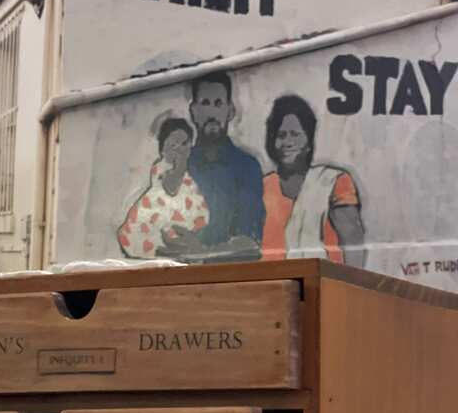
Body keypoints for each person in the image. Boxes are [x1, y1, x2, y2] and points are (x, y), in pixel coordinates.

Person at [157, 71, 264, 262]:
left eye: (218, 104)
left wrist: (200, 253)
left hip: (229, 281)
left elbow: (250, 243)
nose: (212, 113)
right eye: (205, 103)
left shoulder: (247, 167)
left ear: (230, 111)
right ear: (194, 111)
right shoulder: (179, 165)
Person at [259, 94, 366, 268]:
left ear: (308, 140)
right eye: (281, 135)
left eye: (295, 134)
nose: (287, 142)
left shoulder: (332, 182)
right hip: (274, 287)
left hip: (324, 286)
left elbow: (353, 242)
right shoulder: (263, 187)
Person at [117, 117, 208, 259]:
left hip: (182, 222)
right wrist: (180, 167)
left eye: (184, 144)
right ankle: (162, 251)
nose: (179, 150)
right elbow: (169, 186)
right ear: (162, 150)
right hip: (155, 220)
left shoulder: (190, 176)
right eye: (173, 145)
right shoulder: (162, 169)